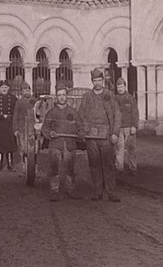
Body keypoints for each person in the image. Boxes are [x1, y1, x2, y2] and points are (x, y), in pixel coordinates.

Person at [79, 68, 121, 202]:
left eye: (99, 80)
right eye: (95, 80)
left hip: (106, 134)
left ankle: (111, 192)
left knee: (108, 164)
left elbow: (117, 115)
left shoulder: (109, 95)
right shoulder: (87, 97)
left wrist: (115, 133)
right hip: (91, 136)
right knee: (94, 164)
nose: (97, 83)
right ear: (92, 81)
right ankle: (97, 192)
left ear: (103, 81)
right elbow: (80, 115)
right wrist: (84, 131)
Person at [41, 83, 84, 201]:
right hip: (55, 144)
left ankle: (70, 190)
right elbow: (45, 128)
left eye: (63, 95)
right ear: (56, 97)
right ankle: (54, 190)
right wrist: (50, 134)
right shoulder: (51, 112)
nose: (61, 97)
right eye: (59, 95)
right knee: (54, 167)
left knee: (70, 168)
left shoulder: (73, 112)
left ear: (67, 96)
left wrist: (80, 133)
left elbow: (80, 126)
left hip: (70, 144)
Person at [0, 80, 17, 171]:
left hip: (10, 123)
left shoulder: (13, 98)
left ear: (8, 88)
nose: (4, 89)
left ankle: (10, 165)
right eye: (2, 88)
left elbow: (16, 114)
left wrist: (16, 127)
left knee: (10, 144)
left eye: (5, 87)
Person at [115, 77, 139, 175]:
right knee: (119, 148)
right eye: (118, 86)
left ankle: (133, 168)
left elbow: (135, 112)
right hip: (118, 127)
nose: (120, 88)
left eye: (121, 86)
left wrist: (134, 126)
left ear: (125, 86)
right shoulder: (115, 99)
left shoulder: (130, 98)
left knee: (131, 148)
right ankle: (119, 168)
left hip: (129, 127)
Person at [12, 82, 37, 175]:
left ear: (30, 91)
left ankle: (34, 168)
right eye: (24, 91)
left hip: (32, 129)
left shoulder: (34, 101)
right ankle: (24, 167)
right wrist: (15, 129)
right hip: (22, 129)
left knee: (34, 149)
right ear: (21, 92)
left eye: (27, 90)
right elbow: (15, 116)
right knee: (22, 149)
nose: (26, 92)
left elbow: (38, 114)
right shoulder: (19, 102)